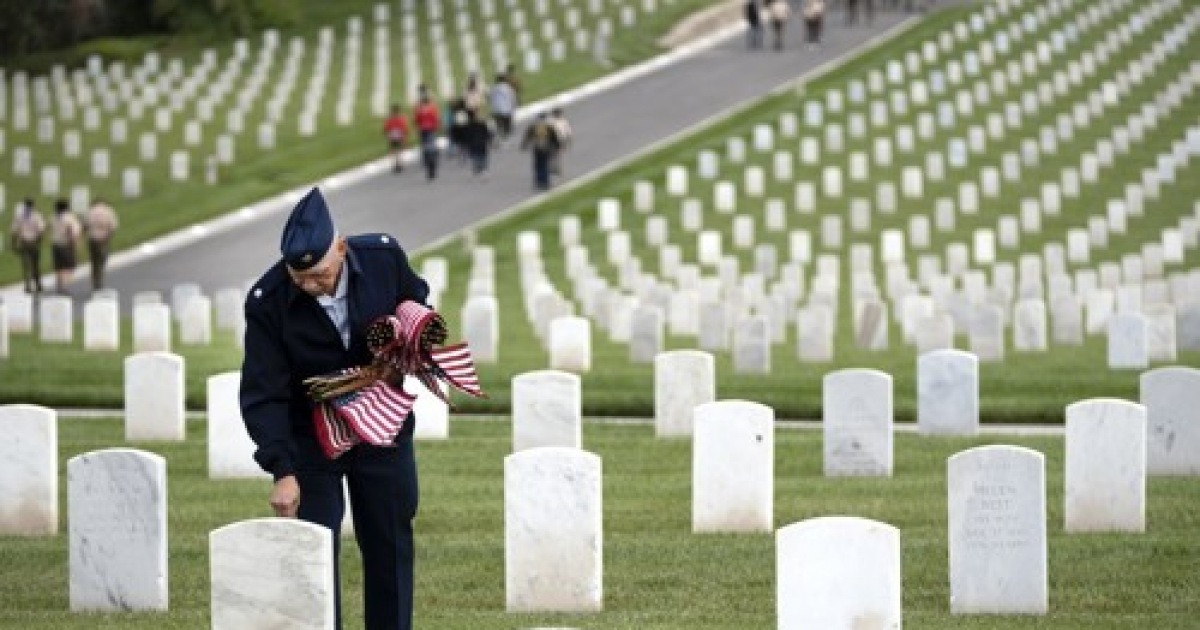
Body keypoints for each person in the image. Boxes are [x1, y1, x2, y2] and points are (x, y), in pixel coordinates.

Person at [240, 187, 429, 630]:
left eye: (320, 275)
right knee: (314, 550)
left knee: (390, 544)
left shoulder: (384, 258)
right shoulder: (267, 303)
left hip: (381, 426)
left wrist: (413, 340)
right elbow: (264, 392)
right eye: (298, 277)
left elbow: (415, 304)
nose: (309, 285)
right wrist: (282, 469)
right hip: (310, 436)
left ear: (341, 249)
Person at [9, 198, 46, 294]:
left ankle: (31, 285)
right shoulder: (36, 216)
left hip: (25, 242)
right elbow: (41, 230)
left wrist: (13, 243)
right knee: (33, 265)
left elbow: (14, 231)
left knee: (28, 265)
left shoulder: (20, 216)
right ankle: (36, 284)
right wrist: (39, 241)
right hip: (31, 242)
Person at [519, 112, 561, 191]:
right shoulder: (549, 127)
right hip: (546, 148)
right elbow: (554, 138)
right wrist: (557, 146)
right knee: (544, 164)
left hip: (537, 148)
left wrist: (523, 145)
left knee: (538, 164)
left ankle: (539, 181)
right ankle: (545, 182)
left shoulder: (533, 127)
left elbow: (527, 137)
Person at [84, 198, 118, 291]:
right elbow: (113, 225)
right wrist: (109, 235)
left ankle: (96, 280)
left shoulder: (90, 211)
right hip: (104, 238)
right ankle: (99, 278)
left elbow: (85, 225)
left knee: (94, 261)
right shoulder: (108, 211)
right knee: (103, 259)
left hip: (92, 239)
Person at [49, 198, 82, 294]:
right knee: (69, 266)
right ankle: (64, 286)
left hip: (55, 244)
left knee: (59, 266)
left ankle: (59, 285)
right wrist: (76, 243)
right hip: (66, 244)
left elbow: (50, 227)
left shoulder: (53, 217)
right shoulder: (69, 218)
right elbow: (73, 231)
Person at [412, 90, 441, 181]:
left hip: (423, 130)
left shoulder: (419, 109)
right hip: (430, 129)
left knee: (425, 148)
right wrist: (437, 127)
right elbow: (436, 119)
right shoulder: (432, 108)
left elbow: (416, 120)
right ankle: (432, 169)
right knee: (431, 148)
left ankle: (429, 168)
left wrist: (418, 127)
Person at [460, 110, 494, 176]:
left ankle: (477, 168)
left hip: (472, 144)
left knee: (475, 156)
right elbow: (487, 133)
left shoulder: (467, 126)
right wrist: (489, 140)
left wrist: (465, 143)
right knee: (482, 156)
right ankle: (483, 169)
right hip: (481, 142)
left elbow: (466, 136)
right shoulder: (482, 123)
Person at [489, 73, 518, 141]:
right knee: (507, 126)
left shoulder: (493, 88)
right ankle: (507, 137)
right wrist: (514, 105)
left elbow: (491, 98)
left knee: (499, 125)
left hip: (496, 111)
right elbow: (512, 97)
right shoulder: (508, 88)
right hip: (506, 110)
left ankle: (502, 136)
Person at [383, 104, 410, 173]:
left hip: (392, 135)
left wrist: (386, 133)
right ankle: (399, 163)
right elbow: (404, 127)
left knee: (393, 150)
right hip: (399, 135)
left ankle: (395, 163)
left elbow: (386, 127)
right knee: (399, 150)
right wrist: (405, 134)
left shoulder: (390, 118)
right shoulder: (401, 118)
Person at [548, 106, 573, 177]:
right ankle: (555, 167)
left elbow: (568, 131)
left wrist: (569, 139)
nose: (558, 114)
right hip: (553, 140)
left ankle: (557, 168)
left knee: (558, 155)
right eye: (557, 113)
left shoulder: (563, 120)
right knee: (554, 154)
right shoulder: (550, 121)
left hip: (561, 140)